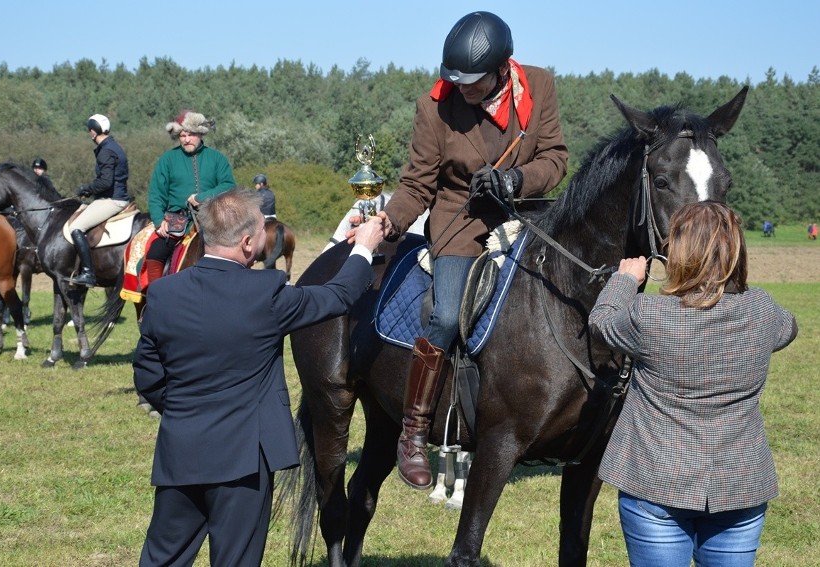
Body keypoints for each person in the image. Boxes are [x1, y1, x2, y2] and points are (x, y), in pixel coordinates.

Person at [349, 11, 568, 489]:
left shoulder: (541, 85)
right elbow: (417, 184)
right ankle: (413, 431)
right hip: (460, 221)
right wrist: (388, 221)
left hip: (527, 216)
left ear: (501, 67)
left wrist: (516, 179)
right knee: (447, 316)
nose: (461, 89)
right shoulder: (435, 107)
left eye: (471, 82)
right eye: (456, 80)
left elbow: (554, 158)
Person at [133, 187, 383, 566]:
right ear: (248, 242)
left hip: (179, 452)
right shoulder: (267, 293)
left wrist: (187, 413)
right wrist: (363, 247)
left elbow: (148, 376)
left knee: (163, 558)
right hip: (245, 461)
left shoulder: (163, 294)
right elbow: (338, 295)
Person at [589, 201, 798, 566]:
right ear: (736, 251)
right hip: (740, 486)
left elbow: (602, 321)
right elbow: (789, 328)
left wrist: (624, 280)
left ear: (678, 253)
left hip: (655, 482)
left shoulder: (649, 317)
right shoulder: (763, 311)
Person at [145, 110, 236, 282]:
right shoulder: (167, 159)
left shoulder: (217, 158)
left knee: (239, 251)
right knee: (154, 253)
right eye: (182, 135)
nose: (186, 139)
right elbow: (156, 194)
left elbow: (229, 185)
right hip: (176, 221)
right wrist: (159, 221)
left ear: (201, 134)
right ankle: (155, 301)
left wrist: (203, 197)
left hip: (213, 218)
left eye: (191, 135)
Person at [66, 114, 131, 287]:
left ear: (94, 132)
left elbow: (105, 182)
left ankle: (88, 273)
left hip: (113, 200)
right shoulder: (114, 146)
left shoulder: (106, 151)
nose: (89, 134)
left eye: (90, 131)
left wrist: (86, 188)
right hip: (115, 196)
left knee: (76, 227)